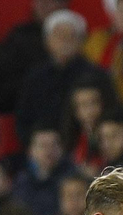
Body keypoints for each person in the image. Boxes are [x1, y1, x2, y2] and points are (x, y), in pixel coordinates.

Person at [16, 9, 113, 146]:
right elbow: (24, 119)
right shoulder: (35, 77)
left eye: (71, 36)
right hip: (42, 149)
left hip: (86, 146)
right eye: (59, 36)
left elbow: (109, 116)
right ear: (47, 41)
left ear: (81, 41)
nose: (64, 41)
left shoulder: (97, 75)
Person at [0, 0, 72, 114]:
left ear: (63, 3)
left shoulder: (75, 35)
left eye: (48, 0)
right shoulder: (19, 36)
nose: (42, 5)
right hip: (24, 108)